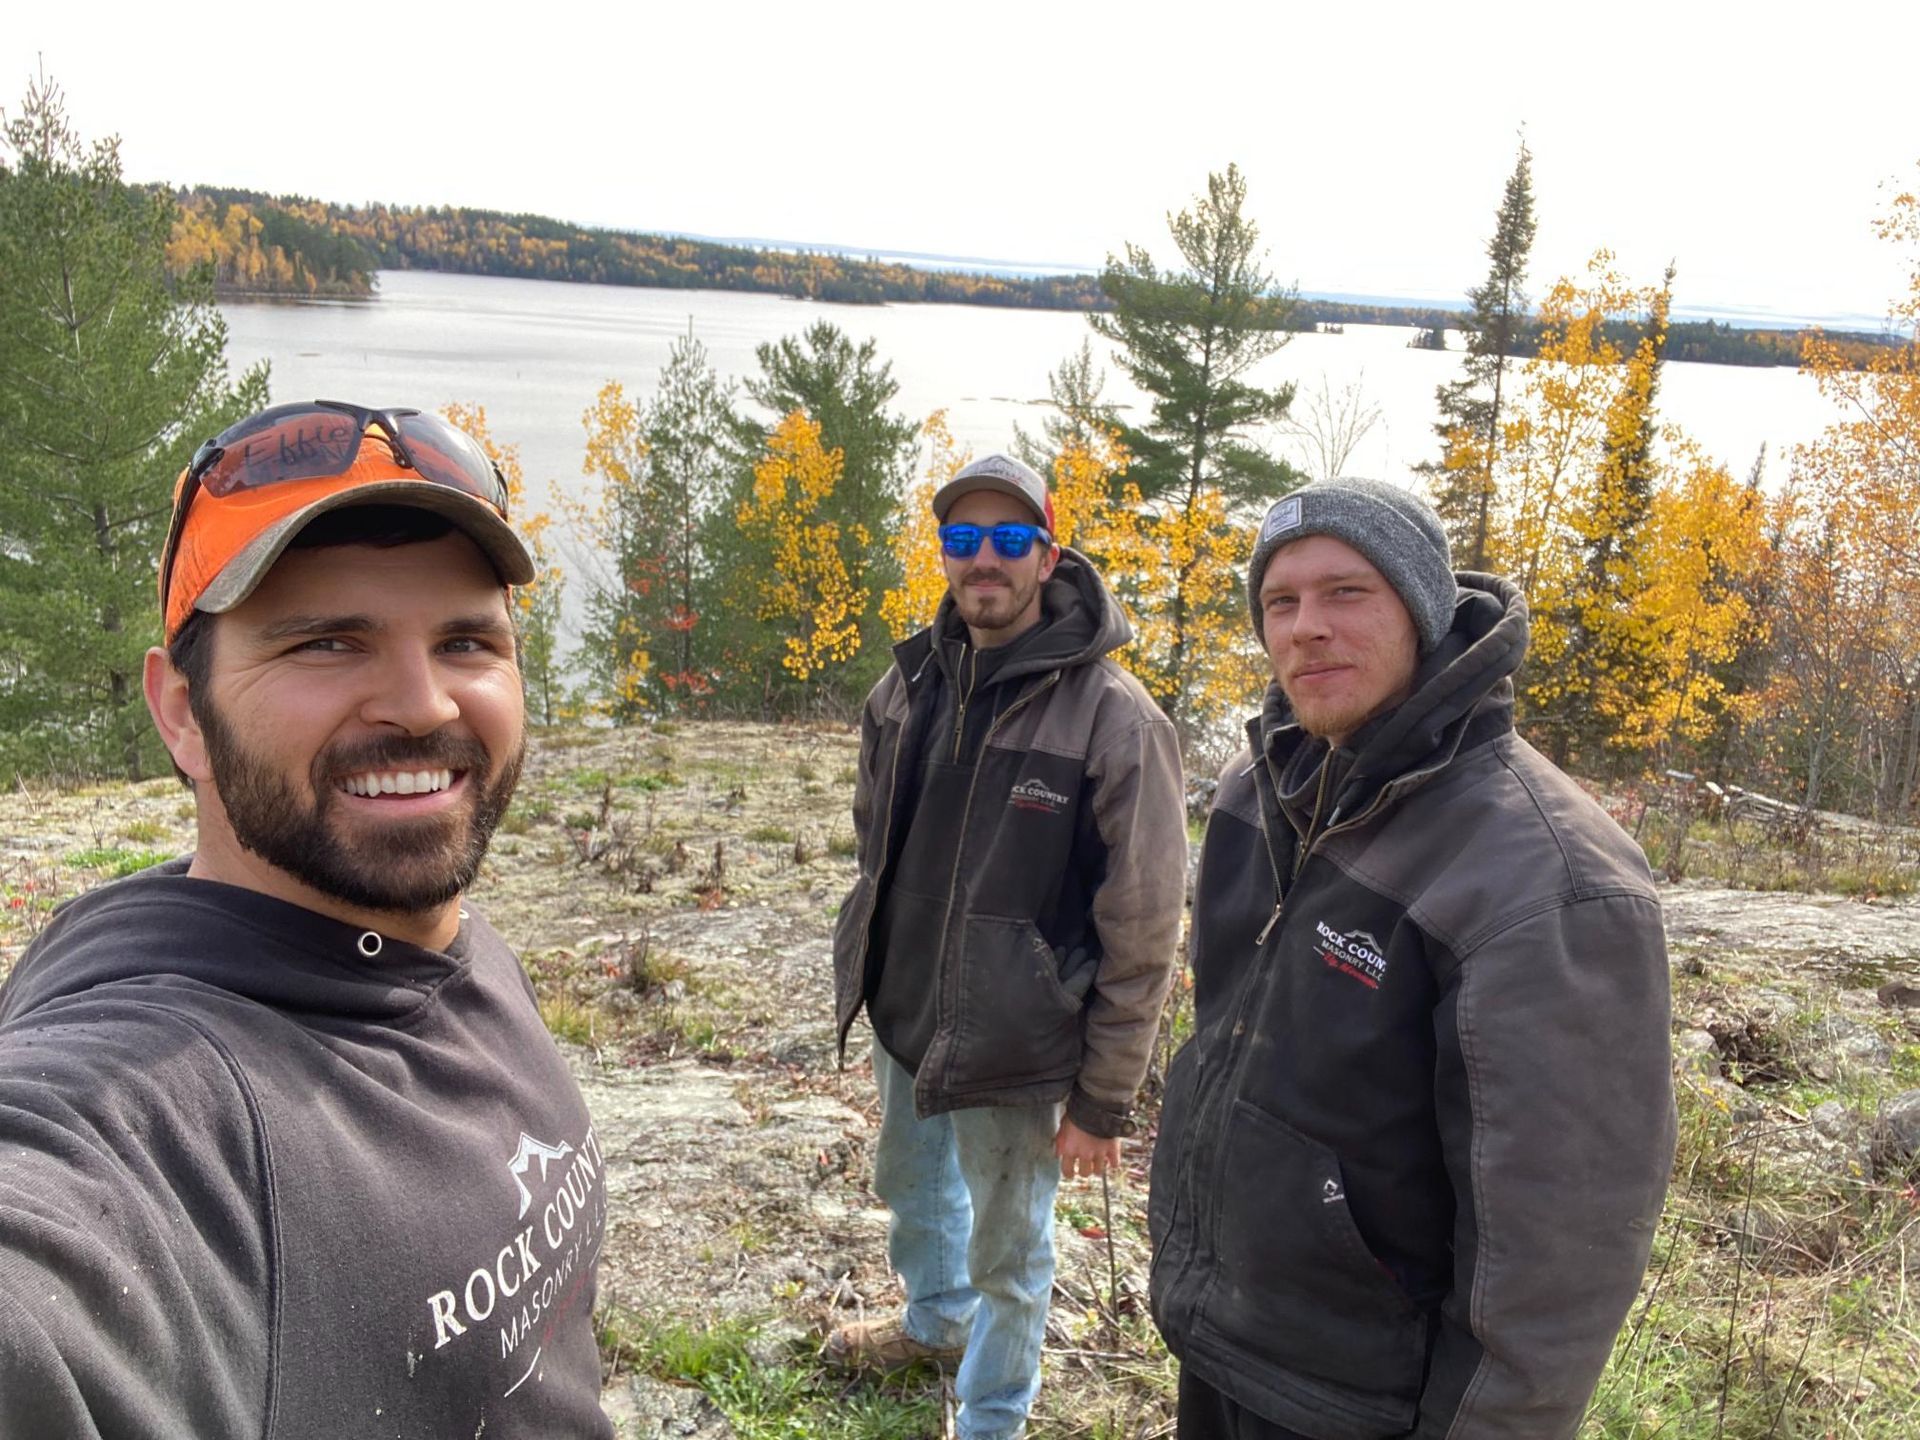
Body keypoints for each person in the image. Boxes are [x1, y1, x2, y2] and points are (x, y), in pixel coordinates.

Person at [0, 401, 613, 1438]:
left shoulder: (447, 940)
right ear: (183, 714)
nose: (421, 704)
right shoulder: (161, 1101)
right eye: (327, 643)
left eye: (466, 640)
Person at [1150, 478, 1676, 1440]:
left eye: (1347, 592)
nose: (1306, 627)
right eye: (1281, 600)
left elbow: (1559, 1245)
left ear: (1423, 611)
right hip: (1230, 1339)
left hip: (1372, 1400)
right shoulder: (1257, 792)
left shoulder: (1543, 875)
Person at [826, 453, 1186, 1439]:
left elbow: (1146, 922)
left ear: (1048, 555)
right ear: (944, 553)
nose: (984, 558)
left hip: (1018, 1046)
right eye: (963, 539)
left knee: (1012, 1251)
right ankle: (936, 1325)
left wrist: (1104, 1097)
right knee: (910, 1184)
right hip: (905, 1013)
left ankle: (992, 1420)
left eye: (1010, 540)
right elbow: (873, 843)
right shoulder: (906, 687)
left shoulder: (1116, 721)